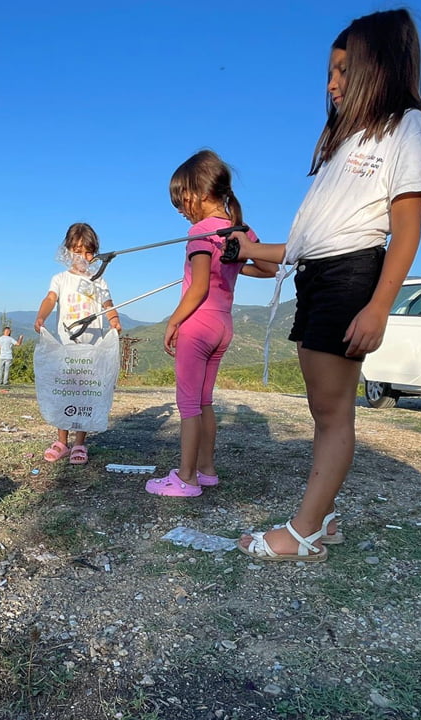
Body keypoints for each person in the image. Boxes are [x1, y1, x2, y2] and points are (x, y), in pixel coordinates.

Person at [227, 9, 421, 559]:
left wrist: (379, 307)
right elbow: (306, 241)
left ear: (378, 67)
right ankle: (325, 517)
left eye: (343, 70)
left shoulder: (407, 125)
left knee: (332, 410)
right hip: (318, 274)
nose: (332, 83)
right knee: (323, 408)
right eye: (329, 72)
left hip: (351, 275)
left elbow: (406, 230)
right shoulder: (343, 143)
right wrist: (248, 249)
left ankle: (305, 533)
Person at [145, 150, 278, 497]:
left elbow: (199, 287)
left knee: (188, 405)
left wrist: (174, 322)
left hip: (198, 324)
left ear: (201, 192)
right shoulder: (241, 230)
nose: (180, 207)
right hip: (223, 326)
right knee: (204, 401)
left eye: (182, 198)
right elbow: (270, 268)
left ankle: (185, 478)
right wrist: (234, 262)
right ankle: (206, 470)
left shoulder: (200, 231)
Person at [34, 222, 121, 465]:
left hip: (91, 350)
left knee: (86, 393)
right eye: (77, 250)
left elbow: (108, 305)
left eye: (88, 251)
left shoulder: (99, 281)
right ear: (67, 251)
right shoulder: (61, 279)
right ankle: (62, 441)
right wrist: (42, 316)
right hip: (67, 348)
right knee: (64, 390)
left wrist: (114, 320)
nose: (83, 256)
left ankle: (80, 442)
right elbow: (51, 298)